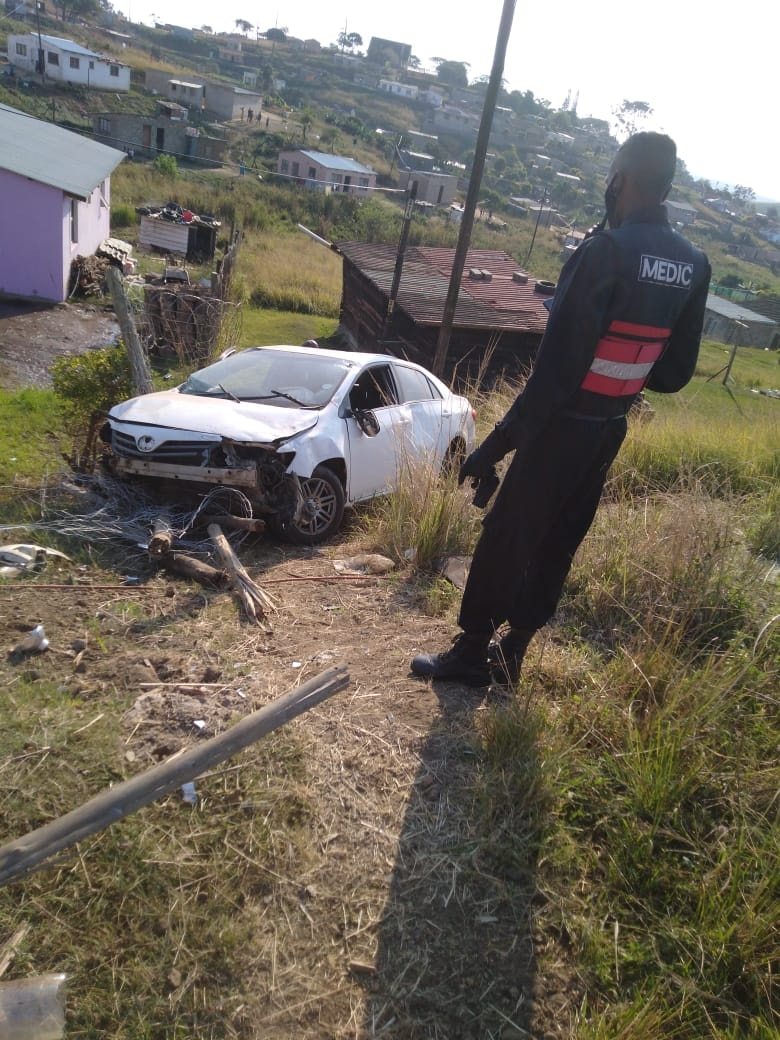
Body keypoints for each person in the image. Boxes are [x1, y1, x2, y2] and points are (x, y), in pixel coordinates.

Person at [411, 132, 711, 687]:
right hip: (608, 431)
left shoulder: (605, 252)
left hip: (560, 430)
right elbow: (672, 376)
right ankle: (514, 653)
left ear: (618, 181)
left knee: (507, 534)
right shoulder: (694, 263)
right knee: (560, 539)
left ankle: (472, 653)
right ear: (666, 186)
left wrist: (491, 449)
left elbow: (552, 379)